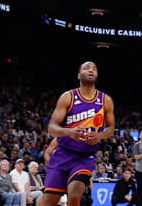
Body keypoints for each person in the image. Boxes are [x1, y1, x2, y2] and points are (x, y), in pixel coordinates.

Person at [40, 61, 116, 206]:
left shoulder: (105, 100)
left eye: (94, 68)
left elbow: (111, 127)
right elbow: (51, 128)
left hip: (85, 157)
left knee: (74, 196)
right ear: (79, 76)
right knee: (49, 202)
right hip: (62, 153)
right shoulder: (68, 97)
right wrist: (70, 132)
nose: (91, 70)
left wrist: (100, 135)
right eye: (86, 68)